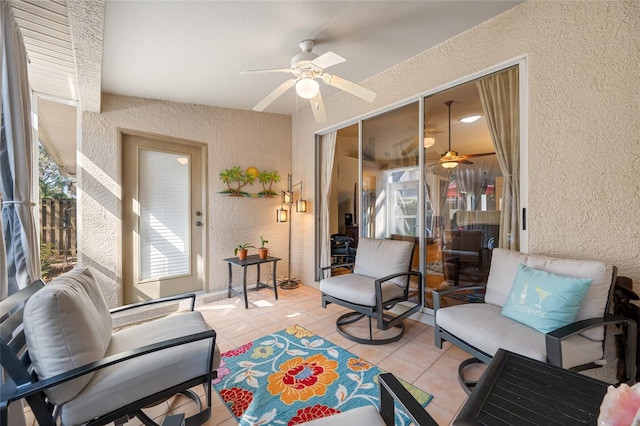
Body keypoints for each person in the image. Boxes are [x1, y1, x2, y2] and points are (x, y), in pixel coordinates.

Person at [613, 276, 640, 384]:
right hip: (626, 339)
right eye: (615, 296)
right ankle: (622, 382)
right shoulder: (617, 307)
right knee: (623, 360)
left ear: (628, 297)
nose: (617, 299)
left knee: (638, 361)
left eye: (620, 296)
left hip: (637, 338)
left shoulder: (633, 309)